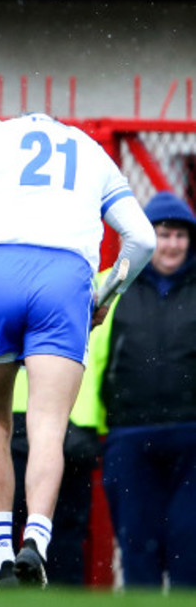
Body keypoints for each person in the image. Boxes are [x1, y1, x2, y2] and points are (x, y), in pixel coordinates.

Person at [0, 113, 156, 588]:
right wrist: (102, 298)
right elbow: (142, 239)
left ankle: (0, 555)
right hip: (65, 281)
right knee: (48, 427)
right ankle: (36, 544)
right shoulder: (90, 151)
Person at [0, 314, 103, 587]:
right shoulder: (87, 283)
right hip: (68, 432)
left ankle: (1, 562)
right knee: (62, 552)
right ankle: (37, 542)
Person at [92, 190, 196, 590]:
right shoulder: (111, 286)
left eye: (180, 236)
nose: (171, 245)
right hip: (129, 436)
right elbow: (88, 360)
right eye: (163, 234)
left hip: (191, 437)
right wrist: (82, 426)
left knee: (190, 547)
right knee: (138, 548)